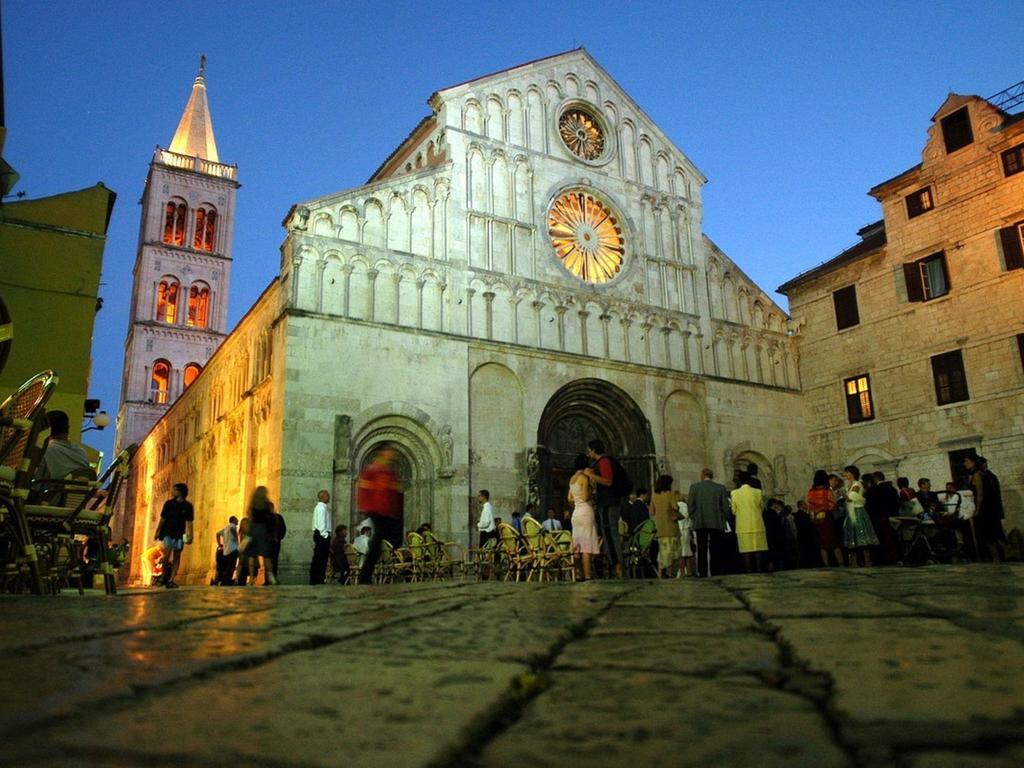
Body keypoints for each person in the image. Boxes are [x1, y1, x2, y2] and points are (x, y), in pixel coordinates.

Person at [356, 448, 404, 584]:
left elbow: (392, 492)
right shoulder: (372, 470)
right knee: (377, 542)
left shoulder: (388, 472)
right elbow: (364, 489)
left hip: (386, 511)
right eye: (389, 452)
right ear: (382, 453)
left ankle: (365, 574)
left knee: (379, 541)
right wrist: (366, 507)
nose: (391, 454)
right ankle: (365, 575)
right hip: (377, 510)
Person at [584, 439, 626, 578]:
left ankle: (618, 566)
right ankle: (613, 566)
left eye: (589, 450)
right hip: (605, 503)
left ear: (594, 450)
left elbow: (608, 481)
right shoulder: (599, 463)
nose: (588, 453)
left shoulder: (604, 461)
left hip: (609, 503)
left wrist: (591, 475)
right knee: (607, 535)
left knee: (610, 534)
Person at [34, 410, 95, 501]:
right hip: (75, 506)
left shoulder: (46, 452)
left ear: (47, 430)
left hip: (48, 503)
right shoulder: (82, 453)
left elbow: (34, 484)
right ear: (68, 428)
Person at [687, 468, 730, 577]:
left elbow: (690, 505)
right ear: (711, 476)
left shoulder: (695, 487)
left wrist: (693, 516)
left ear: (702, 475)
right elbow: (725, 506)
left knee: (701, 547)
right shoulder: (720, 488)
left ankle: (702, 572)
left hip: (701, 521)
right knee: (715, 547)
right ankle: (715, 570)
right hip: (717, 522)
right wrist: (724, 517)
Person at [966, 455, 1007, 562]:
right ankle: (999, 556)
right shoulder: (987, 475)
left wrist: (978, 509)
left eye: (967, 461)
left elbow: (980, 494)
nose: (965, 463)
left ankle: (996, 557)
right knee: (994, 532)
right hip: (991, 507)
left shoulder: (978, 475)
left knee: (988, 534)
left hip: (985, 508)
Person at [568, 454, 599, 580]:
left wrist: (577, 501)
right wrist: (593, 493)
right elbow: (586, 497)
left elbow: (569, 498)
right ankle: (587, 575)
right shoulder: (584, 478)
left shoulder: (572, 478)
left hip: (576, 512)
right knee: (586, 545)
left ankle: (578, 573)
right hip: (586, 511)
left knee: (577, 544)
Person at [155, 482, 193, 588]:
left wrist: (190, 535)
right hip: (167, 532)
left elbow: (189, 522)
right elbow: (163, 518)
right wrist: (157, 531)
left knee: (177, 556)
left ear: (181, 492)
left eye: (175, 490)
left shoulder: (188, 506)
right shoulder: (168, 504)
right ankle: (163, 575)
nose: (173, 492)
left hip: (179, 534)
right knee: (166, 555)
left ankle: (171, 579)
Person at [841, 466, 877, 567]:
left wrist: (843, 495)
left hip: (858, 512)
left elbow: (852, 497)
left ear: (852, 473)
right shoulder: (850, 485)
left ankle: (867, 560)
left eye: (847, 472)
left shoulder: (857, 484)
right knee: (853, 538)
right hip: (851, 512)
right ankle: (854, 561)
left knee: (861, 537)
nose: (845, 474)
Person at [731, 471, 767, 573]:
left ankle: (748, 569)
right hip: (757, 522)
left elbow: (733, 510)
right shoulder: (758, 492)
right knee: (758, 548)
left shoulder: (734, 493)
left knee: (745, 549)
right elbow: (762, 508)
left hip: (742, 524)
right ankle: (759, 568)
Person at [245, 486, 278, 585]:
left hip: (254, 531)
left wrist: (247, 535)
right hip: (264, 531)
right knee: (266, 556)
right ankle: (271, 577)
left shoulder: (252, 505)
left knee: (251, 555)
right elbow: (272, 519)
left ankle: (251, 578)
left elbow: (250, 520)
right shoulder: (267, 505)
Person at [806, 470, 840, 567]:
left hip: (817, 517)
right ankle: (840, 563)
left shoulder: (811, 491)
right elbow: (832, 504)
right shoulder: (827, 490)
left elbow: (809, 505)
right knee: (834, 542)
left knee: (822, 543)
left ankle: (826, 564)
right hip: (827, 517)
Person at [650, 474, 682, 578]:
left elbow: (651, 511)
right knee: (673, 553)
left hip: (660, 528)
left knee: (663, 552)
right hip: (671, 527)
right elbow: (675, 507)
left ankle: (661, 573)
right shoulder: (670, 494)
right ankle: (670, 573)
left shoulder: (654, 495)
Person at [866, 471, 901, 564]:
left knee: (881, 539)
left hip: (879, 518)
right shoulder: (892, 488)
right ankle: (895, 558)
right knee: (892, 538)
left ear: (875, 479)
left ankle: (883, 559)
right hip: (892, 517)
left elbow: (870, 506)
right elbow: (897, 502)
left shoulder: (873, 490)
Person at [309, 489, 332, 585]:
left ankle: (316, 578)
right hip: (322, 535)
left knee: (318, 557)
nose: (329, 497)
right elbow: (322, 523)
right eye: (327, 495)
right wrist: (325, 535)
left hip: (319, 535)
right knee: (321, 558)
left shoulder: (319, 507)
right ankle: (318, 579)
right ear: (322, 497)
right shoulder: (321, 508)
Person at [215, 516, 239, 585]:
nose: (237, 521)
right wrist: (236, 539)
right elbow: (233, 530)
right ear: (233, 520)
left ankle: (225, 581)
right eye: (236, 520)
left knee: (227, 567)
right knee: (231, 567)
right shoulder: (233, 526)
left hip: (226, 551)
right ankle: (227, 581)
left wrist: (219, 544)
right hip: (233, 549)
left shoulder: (225, 528)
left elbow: (217, 534)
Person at [676, 494, 693, 577]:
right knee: (687, 552)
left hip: (679, 530)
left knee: (681, 554)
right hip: (686, 530)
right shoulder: (686, 505)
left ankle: (682, 572)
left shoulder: (677, 505)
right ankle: (689, 571)